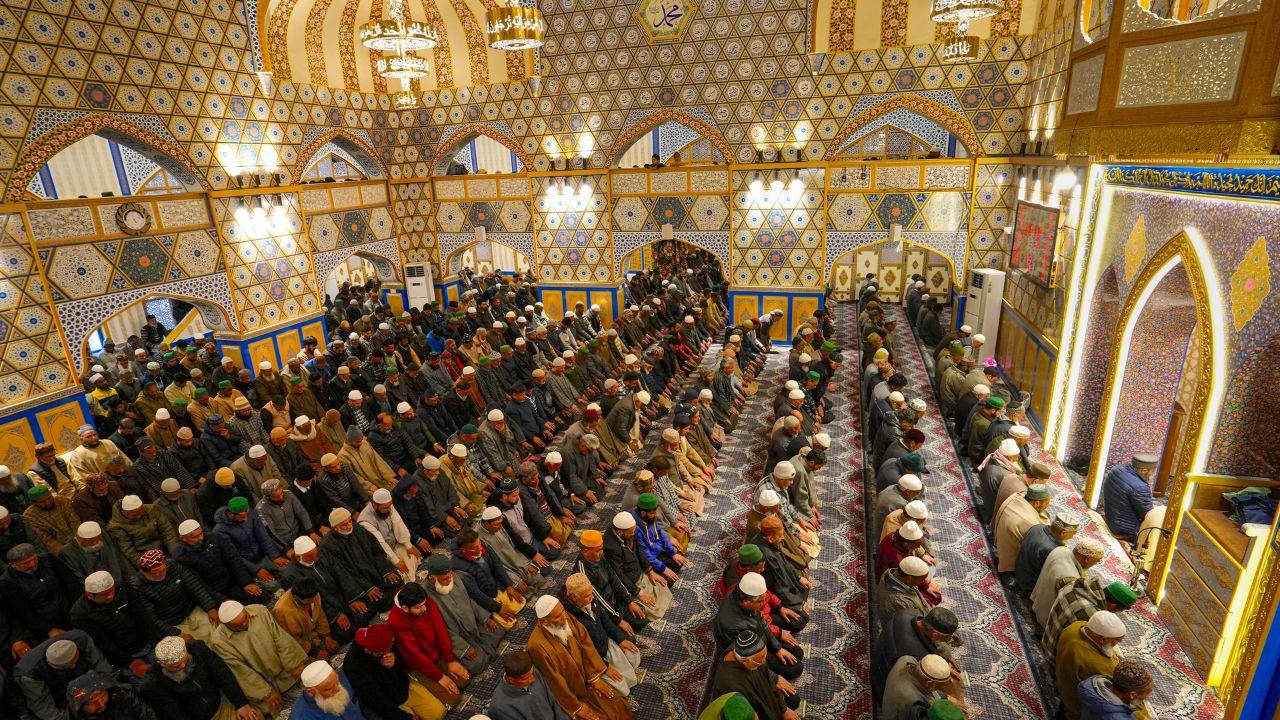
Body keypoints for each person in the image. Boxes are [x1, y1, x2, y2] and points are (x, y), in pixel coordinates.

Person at [526, 595, 634, 720]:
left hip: (588, 679)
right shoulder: (536, 646)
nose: (564, 617)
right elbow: (554, 680)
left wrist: (594, 679)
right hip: (571, 694)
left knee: (617, 705)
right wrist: (577, 707)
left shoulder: (568, 618)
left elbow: (586, 644)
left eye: (563, 611)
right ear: (544, 622)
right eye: (558, 616)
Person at [208, 600, 308, 716]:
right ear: (226, 625)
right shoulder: (219, 641)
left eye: (245, 619)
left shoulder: (260, 610)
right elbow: (241, 671)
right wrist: (266, 692)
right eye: (238, 625)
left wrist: (294, 664)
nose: (244, 624)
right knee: (278, 711)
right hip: (259, 685)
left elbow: (280, 638)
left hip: (284, 671)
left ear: (245, 610)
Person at [386, 582, 471, 705]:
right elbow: (414, 655)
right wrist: (439, 677)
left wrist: (449, 659)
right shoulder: (395, 621)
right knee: (454, 698)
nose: (424, 609)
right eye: (419, 607)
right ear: (405, 608)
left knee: (465, 680)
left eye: (424, 604)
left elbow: (439, 628)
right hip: (419, 666)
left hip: (437, 654)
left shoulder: (422, 599)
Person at [422, 554, 505, 677]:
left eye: (450, 575)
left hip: (475, 625)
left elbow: (469, 600)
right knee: (477, 664)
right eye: (445, 578)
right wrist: (463, 648)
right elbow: (440, 630)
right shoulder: (426, 599)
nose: (450, 580)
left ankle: (484, 649)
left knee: (499, 631)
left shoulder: (455, 578)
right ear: (432, 578)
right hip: (459, 638)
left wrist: (485, 618)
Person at [342, 624, 446, 720]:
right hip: (387, 702)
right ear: (368, 650)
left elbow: (405, 660)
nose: (388, 652)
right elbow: (375, 700)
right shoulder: (353, 665)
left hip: (403, 686)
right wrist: (405, 718)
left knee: (439, 714)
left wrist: (395, 662)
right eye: (383, 652)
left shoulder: (383, 633)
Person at [142, 635, 259, 720]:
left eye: (185, 660)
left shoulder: (198, 649)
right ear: (162, 664)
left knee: (256, 716)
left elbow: (222, 674)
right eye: (176, 666)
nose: (183, 666)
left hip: (222, 702)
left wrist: (240, 703)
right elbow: (174, 715)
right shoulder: (153, 685)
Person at [562, 572, 642, 697]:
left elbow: (605, 620)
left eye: (592, 593)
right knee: (623, 690)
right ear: (574, 598)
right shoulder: (568, 619)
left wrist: (620, 639)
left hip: (605, 643)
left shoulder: (589, 598)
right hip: (593, 659)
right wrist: (603, 666)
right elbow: (581, 652)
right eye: (587, 596)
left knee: (634, 655)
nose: (593, 598)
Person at [714, 572, 804, 681]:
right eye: (761, 601)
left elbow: (763, 623)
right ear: (747, 603)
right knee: (795, 668)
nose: (765, 602)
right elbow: (748, 660)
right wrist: (774, 678)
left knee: (798, 653)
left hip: (758, 637)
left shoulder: (742, 597)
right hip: (750, 651)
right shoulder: (732, 626)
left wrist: (777, 648)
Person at [14, 631, 113, 720]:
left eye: (75, 660)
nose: (74, 666)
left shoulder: (81, 639)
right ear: (50, 664)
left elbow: (103, 669)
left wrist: (103, 691)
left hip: (94, 688)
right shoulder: (29, 674)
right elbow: (43, 706)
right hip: (62, 702)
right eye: (68, 666)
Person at [870, 608, 960, 701]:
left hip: (879, 662)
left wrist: (943, 662)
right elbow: (919, 683)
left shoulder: (908, 612)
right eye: (948, 638)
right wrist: (945, 697)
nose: (948, 641)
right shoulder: (915, 655)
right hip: (884, 687)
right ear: (935, 635)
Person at [710, 630, 799, 720]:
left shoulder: (745, 651)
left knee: (794, 700)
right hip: (757, 709)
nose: (764, 662)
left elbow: (767, 676)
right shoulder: (728, 684)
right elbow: (747, 713)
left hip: (765, 695)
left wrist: (784, 709)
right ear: (745, 661)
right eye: (760, 661)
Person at [1043, 581, 1138, 661]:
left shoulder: (1074, 585)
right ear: (1112, 606)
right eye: (1117, 611)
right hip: (1054, 655)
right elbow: (1100, 644)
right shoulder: (1092, 615)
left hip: (1047, 640)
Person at [1056, 611, 1127, 719]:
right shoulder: (1097, 663)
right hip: (1077, 707)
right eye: (1114, 643)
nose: (1114, 647)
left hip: (1062, 685)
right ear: (1102, 639)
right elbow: (1117, 691)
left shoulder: (1075, 626)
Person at [1032, 538, 1106, 626]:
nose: (1096, 563)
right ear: (1087, 559)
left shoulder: (1061, 549)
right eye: (1096, 561)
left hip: (1037, 599)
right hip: (1045, 617)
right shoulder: (1071, 579)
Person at [489, 650, 571, 720]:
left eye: (532, 673)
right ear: (511, 680)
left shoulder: (533, 673)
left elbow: (553, 701)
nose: (533, 679)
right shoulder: (500, 707)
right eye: (526, 678)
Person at [1014, 511, 1081, 595]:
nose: (1072, 537)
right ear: (1063, 533)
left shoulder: (1037, 527)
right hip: (1029, 585)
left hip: (1018, 570)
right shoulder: (1053, 550)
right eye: (1072, 535)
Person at [272, 578, 336, 660]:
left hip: (316, 638)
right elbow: (292, 640)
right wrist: (315, 652)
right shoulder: (282, 611)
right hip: (302, 648)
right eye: (309, 600)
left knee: (334, 647)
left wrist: (327, 636)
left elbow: (320, 616)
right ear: (296, 597)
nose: (314, 601)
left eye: (314, 597)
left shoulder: (312, 593)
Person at [881, 654, 960, 719]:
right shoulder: (914, 702)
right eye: (940, 686)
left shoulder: (906, 659)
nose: (951, 682)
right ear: (929, 683)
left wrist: (945, 696)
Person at [1100, 455, 1157, 543]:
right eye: (1153, 471)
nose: (1153, 474)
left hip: (1111, 517)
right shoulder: (1140, 487)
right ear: (1144, 470)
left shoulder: (1117, 469)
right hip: (1124, 528)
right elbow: (1148, 514)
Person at [1077, 659, 1153, 720]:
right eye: (1142, 699)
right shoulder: (1116, 717)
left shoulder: (1092, 684)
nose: (1142, 702)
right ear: (1132, 694)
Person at [291, 660, 363, 720]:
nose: (338, 689)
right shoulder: (302, 716)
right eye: (329, 689)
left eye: (337, 682)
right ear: (311, 692)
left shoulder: (338, 679)